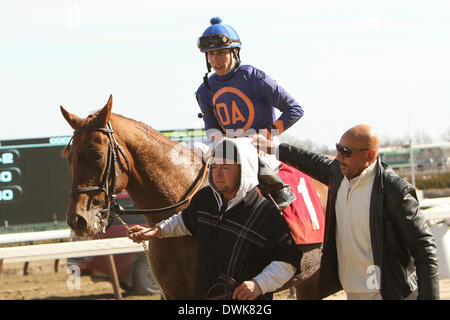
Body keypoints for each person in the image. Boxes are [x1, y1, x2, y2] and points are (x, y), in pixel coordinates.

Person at [252, 124, 440, 300]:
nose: (339, 157)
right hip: (353, 293)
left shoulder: (395, 192)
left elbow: (425, 249)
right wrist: (275, 149)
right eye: (338, 148)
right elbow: (310, 160)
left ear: (370, 155)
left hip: (389, 293)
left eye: (346, 152)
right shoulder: (338, 173)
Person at [128, 138, 302, 300]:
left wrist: (259, 284)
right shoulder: (205, 198)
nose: (218, 173)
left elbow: (289, 260)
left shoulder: (264, 213)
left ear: (244, 170)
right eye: (215, 166)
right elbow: (186, 220)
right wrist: (156, 230)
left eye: (226, 168)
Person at [195, 17, 304, 210]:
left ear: (235, 52)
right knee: (190, 150)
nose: (215, 60)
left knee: (241, 149)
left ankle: (280, 193)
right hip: (228, 143)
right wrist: (217, 137)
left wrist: (266, 134)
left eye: (221, 53)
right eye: (210, 54)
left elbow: (294, 110)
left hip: (262, 143)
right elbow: (211, 125)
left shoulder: (254, 78)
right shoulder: (204, 90)